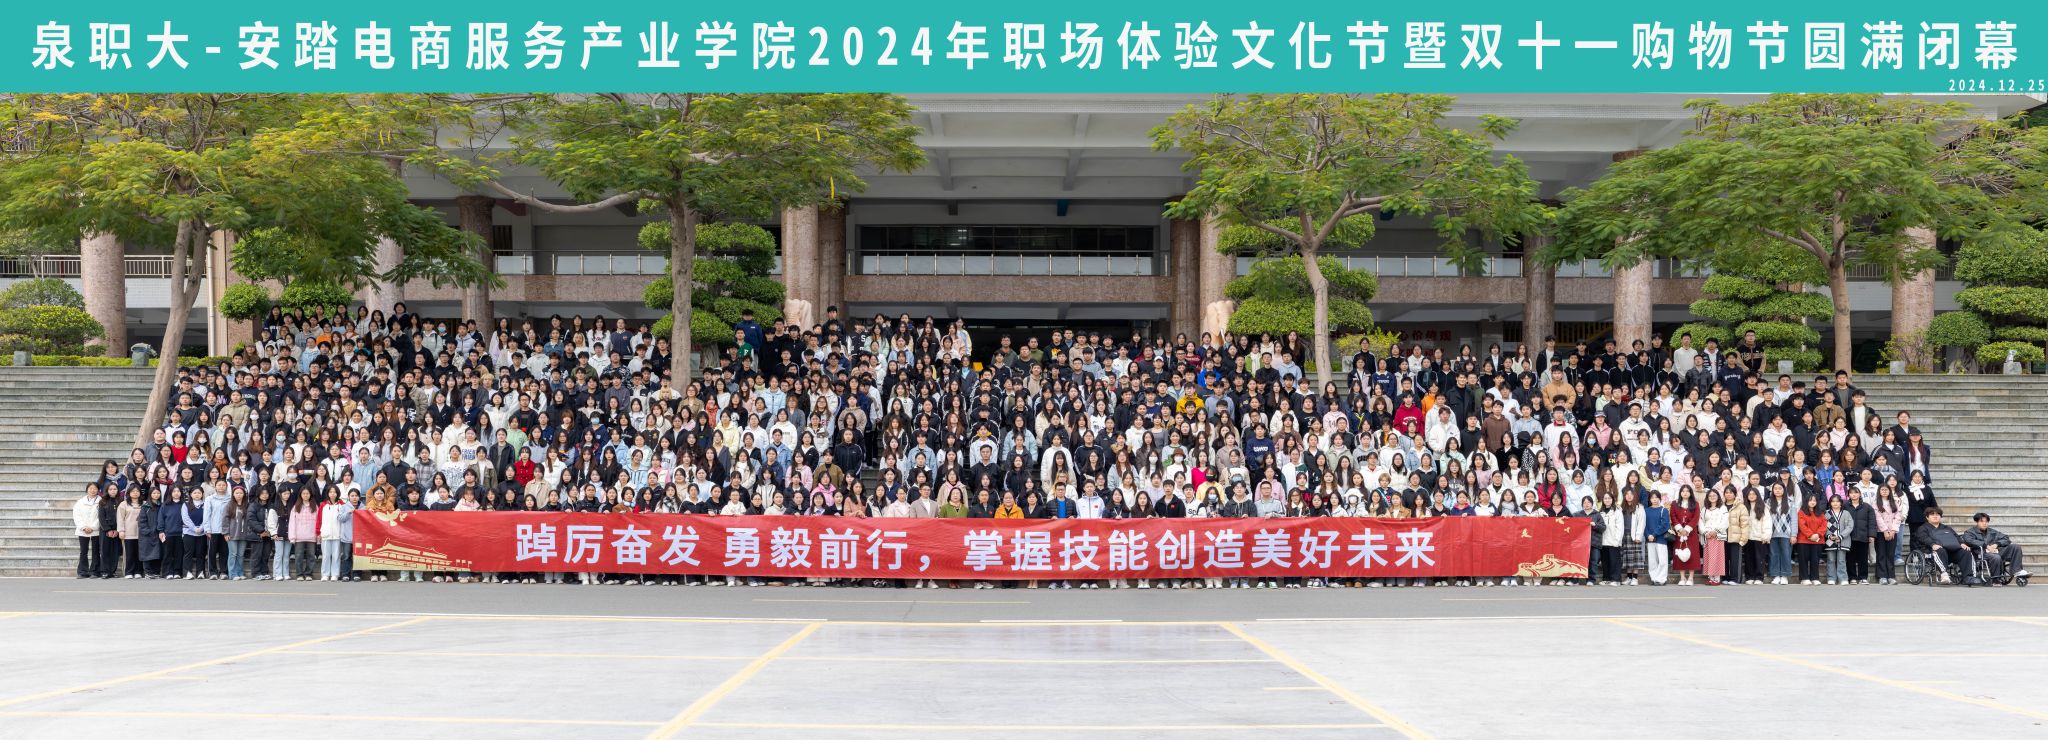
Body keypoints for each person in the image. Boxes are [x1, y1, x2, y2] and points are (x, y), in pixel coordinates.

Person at [1960, 512, 2029, 585]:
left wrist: (1996, 544)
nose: (1984, 523)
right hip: (1981, 553)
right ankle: (1996, 579)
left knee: (2015, 547)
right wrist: (1986, 546)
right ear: (1977, 522)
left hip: (1995, 551)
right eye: (1982, 521)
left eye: (1986, 521)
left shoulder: (1992, 532)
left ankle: (2017, 570)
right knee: (1996, 557)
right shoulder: (1970, 532)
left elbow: (2006, 538)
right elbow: (1969, 540)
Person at [1913, 508, 1973, 585]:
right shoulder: (1923, 528)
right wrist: (1932, 544)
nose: (1935, 516)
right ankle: (1944, 574)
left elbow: (1956, 537)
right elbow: (1924, 538)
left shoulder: (1946, 528)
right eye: (1932, 514)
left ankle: (1968, 577)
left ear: (1940, 516)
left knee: (1965, 552)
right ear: (1927, 517)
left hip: (1950, 551)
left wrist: (1961, 543)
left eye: (1937, 514)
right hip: (1932, 551)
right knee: (1940, 550)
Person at [72, 483, 102, 579]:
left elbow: (101, 516)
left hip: (96, 530)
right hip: (83, 531)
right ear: (87, 489)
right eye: (90, 488)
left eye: (95, 488)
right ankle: (82, 572)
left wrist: (93, 527)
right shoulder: (80, 502)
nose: (93, 490)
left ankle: (95, 571)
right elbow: (76, 515)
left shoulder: (101, 501)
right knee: (83, 551)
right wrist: (83, 527)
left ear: (98, 490)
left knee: (96, 551)